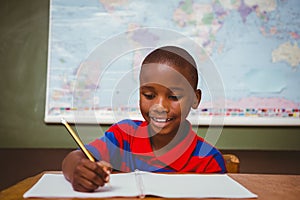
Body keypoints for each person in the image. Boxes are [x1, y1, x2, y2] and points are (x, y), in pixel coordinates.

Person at [62, 46, 226, 192]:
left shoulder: (208, 160)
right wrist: (78, 169)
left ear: (195, 99)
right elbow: (72, 159)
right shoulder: (122, 136)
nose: (160, 106)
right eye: (149, 95)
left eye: (174, 96)